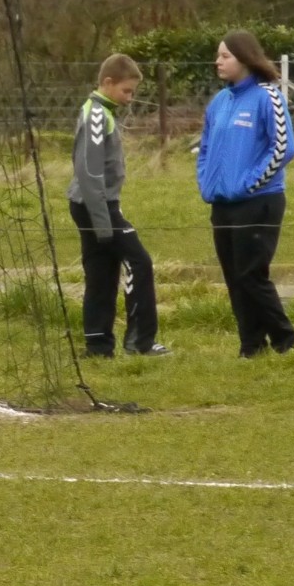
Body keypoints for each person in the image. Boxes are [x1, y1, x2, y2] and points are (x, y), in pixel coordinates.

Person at [198, 29, 294, 357]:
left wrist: (250, 183)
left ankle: (284, 338)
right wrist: (207, 182)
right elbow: (206, 147)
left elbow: (284, 148)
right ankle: (251, 346)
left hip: (259, 201)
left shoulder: (268, 96)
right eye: (218, 55)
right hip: (222, 204)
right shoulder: (219, 102)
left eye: (225, 56)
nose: (218, 61)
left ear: (244, 58)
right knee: (234, 277)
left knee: (251, 274)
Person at [69, 54, 167, 358]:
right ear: (108, 82)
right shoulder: (97, 116)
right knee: (139, 262)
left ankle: (98, 345)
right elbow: (90, 172)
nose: (130, 97)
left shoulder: (100, 111)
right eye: (127, 90)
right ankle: (141, 341)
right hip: (95, 205)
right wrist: (103, 223)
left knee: (101, 272)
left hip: (92, 203)